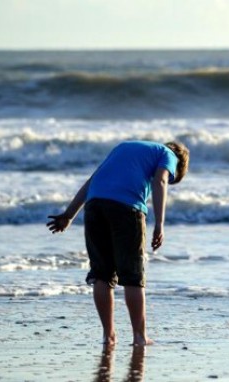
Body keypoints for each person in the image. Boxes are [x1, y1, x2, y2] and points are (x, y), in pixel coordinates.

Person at [47, 140, 189, 346]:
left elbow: (91, 181)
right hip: (126, 208)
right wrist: (159, 224)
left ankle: (108, 336)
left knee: (101, 274)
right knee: (132, 275)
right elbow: (160, 181)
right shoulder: (168, 155)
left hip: (95, 205)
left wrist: (69, 215)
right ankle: (140, 337)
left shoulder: (124, 148)